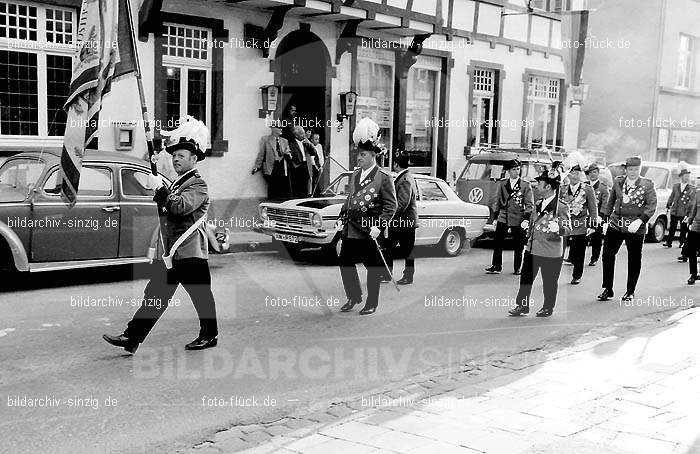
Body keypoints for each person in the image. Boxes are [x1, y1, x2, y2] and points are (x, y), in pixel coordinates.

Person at [103, 116, 218, 353]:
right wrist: (155, 173)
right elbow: (167, 209)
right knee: (155, 296)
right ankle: (132, 338)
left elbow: (178, 207)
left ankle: (210, 335)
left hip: (190, 252)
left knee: (201, 297)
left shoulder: (198, 185)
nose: (176, 159)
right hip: (172, 254)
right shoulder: (177, 184)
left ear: (194, 159)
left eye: (181, 156)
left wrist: (160, 188)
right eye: (174, 156)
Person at [337, 118, 397, 315]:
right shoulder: (355, 175)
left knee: (372, 268)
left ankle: (371, 303)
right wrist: (341, 216)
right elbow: (350, 198)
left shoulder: (384, 178)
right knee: (345, 262)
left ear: (372, 156)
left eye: (362, 155)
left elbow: (391, 205)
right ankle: (354, 296)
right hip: (353, 228)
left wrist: (379, 225)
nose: (359, 158)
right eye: (358, 154)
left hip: (371, 230)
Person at [508, 167, 571, 318]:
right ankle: (522, 306)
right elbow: (534, 222)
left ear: (548, 187)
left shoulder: (561, 206)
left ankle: (548, 307)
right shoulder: (538, 203)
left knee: (549, 281)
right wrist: (527, 232)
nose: (536, 186)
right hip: (533, 247)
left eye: (540, 183)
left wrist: (560, 228)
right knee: (526, 279)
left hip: (550, 250)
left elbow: (568, 229)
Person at [598, 156, 657, 303]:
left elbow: (651, 205)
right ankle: (608, 288)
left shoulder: (647, 184)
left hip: (635, 225)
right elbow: (610, 201)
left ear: (640, 169)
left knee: (634, 258)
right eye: (630, 169)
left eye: (636, 169)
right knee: (607, 255)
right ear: (626, 169)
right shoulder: (618, 181)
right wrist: (605, 219)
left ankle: (630, 291)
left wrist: (641, 220)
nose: (633, 172)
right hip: (616, 222)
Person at [485, 159, 534, 275]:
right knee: (498, 242)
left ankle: (517, 267)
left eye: (518, 169)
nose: (516, 171)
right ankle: (496, 265)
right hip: (504, 216)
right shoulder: (503, 183)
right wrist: (496, 217)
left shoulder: (525, 185)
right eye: (514, 169)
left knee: (518, 244)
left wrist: (526, 219)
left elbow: (529, 204)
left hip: (518, 217)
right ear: (508, 171)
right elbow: (497, 200)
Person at [383, 151, 419, 285]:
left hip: (405, 222)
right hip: (401, 222)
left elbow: (403, 203)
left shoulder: (405, 179)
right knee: (389, 247)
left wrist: (390, 214)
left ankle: (408, 276)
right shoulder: (404, 177)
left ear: (396, 164)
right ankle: (387, 273)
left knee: (407, 251)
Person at [560, 164, 598, 284]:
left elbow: (593, 208)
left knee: (579, 251)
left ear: (581, 175)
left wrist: (592, 225)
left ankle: (577, 275)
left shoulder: (587, 189)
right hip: (566, 223)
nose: (574, 177)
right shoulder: (563, 189)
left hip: (581, 223)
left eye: (577, 174)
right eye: (572, 174)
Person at [252, 120, 293, 200]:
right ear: (273, 129)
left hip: (282, 167)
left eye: (281, 127)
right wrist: (257, 166)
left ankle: (280, 206)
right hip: (271, 167)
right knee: (272, 188)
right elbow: (261, 154)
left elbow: (288, 152)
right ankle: (271, 205)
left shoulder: (284, 141)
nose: (281, 129)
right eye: (279, 127)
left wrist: (288, 154)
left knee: (282, 188)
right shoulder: (266, 139)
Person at [665, 163, 695, 262]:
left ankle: (682, 242)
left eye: (688, 176)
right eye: (685, 176)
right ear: (681, 177)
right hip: (675, 210)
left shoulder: (691, 188)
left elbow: (692, 201)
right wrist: (668, 204)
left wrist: (690, 213)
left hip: (684, 212)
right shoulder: (676, 186)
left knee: (683, 228)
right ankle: (669, 242)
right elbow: (672, 196)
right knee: (672, 227)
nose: (687, 177)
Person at [585, 163, 609, 266]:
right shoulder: (584, 185)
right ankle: (573, 257)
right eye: (590, 172)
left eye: (594, 172)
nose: (592, 174)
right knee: (581, 237)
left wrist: (601, 216)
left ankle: (594, 258)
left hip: (597, 216)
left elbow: (605, 203)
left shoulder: (602, 188)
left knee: (596, 238)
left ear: (598, 173)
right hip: (585, 215)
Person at [288, 126, 319, 198]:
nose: (304, 135)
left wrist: (309, 144)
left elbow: (314, 153)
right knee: (298, 188)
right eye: (301, 134)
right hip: (298, 167)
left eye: (304, 133)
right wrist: (295, 165)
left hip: (307, 165)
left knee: (307, 186)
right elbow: (290, 157)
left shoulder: (306, 142)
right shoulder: (291, 144)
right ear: (296, 135)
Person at [682, 186, 700, 284]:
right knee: (691, 250)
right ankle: (693, 274)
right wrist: (690, 220)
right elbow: (694, 209)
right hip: (696, 225)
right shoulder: (698, 193)